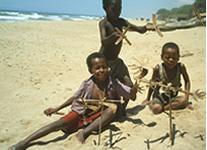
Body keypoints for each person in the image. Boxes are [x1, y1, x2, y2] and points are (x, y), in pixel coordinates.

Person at [9, 52, 141, 150]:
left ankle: (83, 133)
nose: (102, 70)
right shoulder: (87, 83)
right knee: (57, 125)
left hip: (100, 117)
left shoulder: (114, 83)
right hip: (82, 113)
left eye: (104, 67)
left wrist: (137, 83)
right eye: (97, 68)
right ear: (91, 70)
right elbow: (75, 97)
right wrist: (57, 108)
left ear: (108, 68)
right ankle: (24, 142)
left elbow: (132, 96)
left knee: (112, 108)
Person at [99, 0, 150, 115]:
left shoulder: (121, 22)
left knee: (129, 84)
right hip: (104, 62)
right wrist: (113, 36)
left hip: (117, 62)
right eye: (114, 8)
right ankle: (108, 111)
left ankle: (122, 109)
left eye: (120, 8)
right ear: (105, 7)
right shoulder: (104, 23)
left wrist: (146, 28)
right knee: (106, 90)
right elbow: (103, 41)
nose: (117, 11)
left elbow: (139, 29)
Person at [142, 42, 191, 114]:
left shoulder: (180, 67)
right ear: (162, 57)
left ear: (178, 58)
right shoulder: (158, 69)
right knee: (156, 109)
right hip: (159, 96)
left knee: (183, 101)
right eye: (167, 58)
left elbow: (187, 81)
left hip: (173, 96)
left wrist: (186, 97)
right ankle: (160, 106)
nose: (171, 60)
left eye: (174, 58)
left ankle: (165, 108)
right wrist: (148, 98)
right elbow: (152, 84)